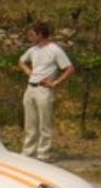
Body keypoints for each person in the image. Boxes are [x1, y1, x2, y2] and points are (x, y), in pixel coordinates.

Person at [19, 21, 75, 162]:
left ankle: (43, 154)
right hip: (30, 88)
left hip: (44, 89)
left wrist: (55, 83)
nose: (30, 37)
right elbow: (21, 61)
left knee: (45, 123)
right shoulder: (33, 50)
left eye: (32, 34)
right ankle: (28, 152)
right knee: (30, 123)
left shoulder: (54, 50)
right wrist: (29, 72)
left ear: (40, 34)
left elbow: (69, 68)